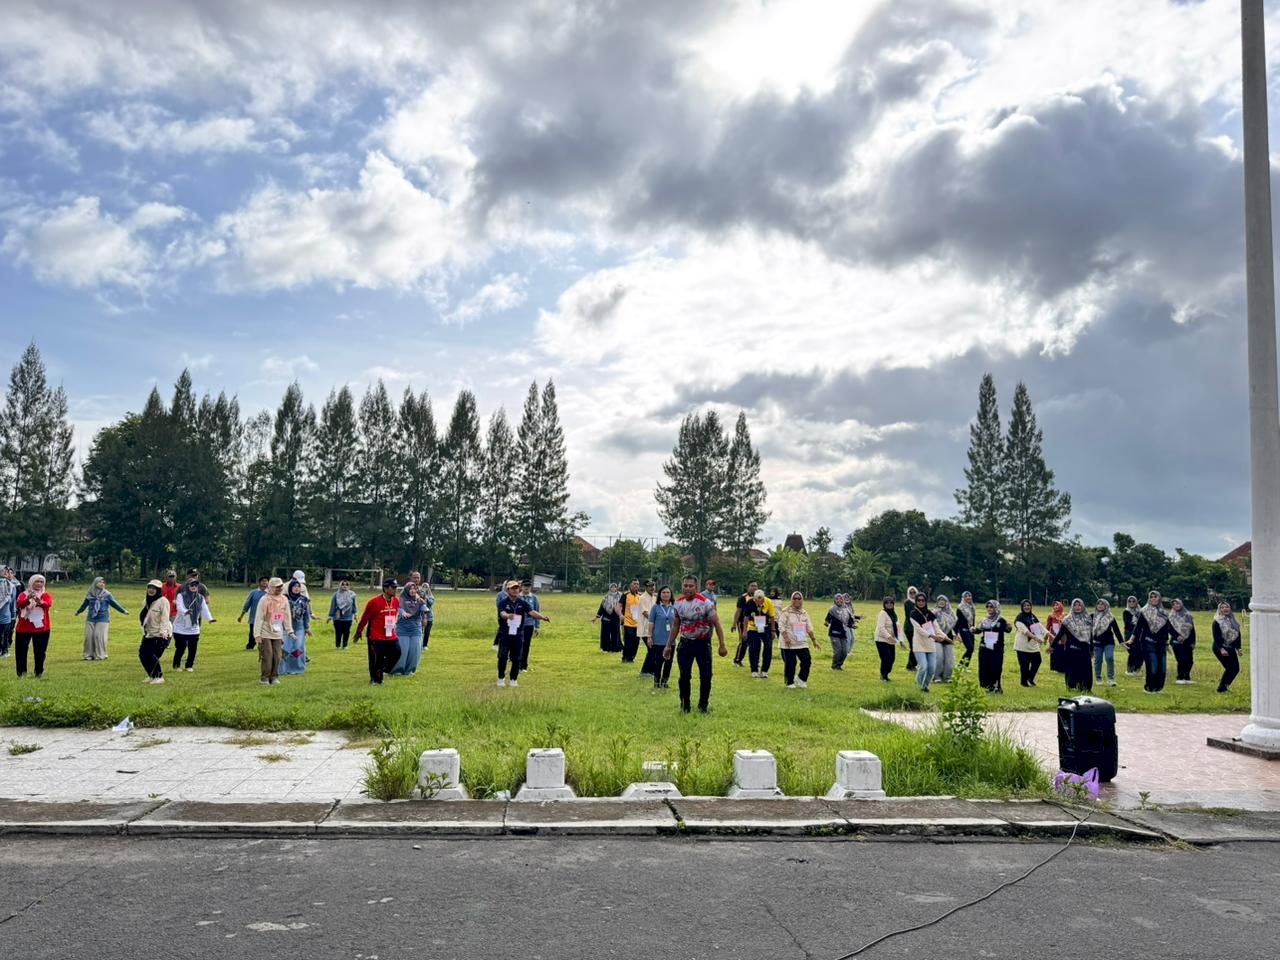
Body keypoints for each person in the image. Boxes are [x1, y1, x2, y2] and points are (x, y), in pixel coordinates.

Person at [663, 575, 727, 713]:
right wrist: (668, 646)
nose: (688, 588)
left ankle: (703, 706)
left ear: (696, 587)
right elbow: (676, 625)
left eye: (691, 586)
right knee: (684, 676)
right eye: (685, 585)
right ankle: (685, 705)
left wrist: (722, 644)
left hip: (703, 644)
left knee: (706, 676)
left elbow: (717, 623)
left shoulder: (705, 603)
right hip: (685, 644)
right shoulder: (678, 603)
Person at [496, 579, 551, 687]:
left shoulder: (523, 603)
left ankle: (513, 679)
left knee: (517, 658)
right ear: (508, 590)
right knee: (502, 656)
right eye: (513, 588)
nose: (515, 590)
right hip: (505, 634)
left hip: (518, 634)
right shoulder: (503, 602)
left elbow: (532, 612)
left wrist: (543, 617)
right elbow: (502, 613)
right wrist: (507, 616)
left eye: (517, 588)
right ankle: (501, 678)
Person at [354, 578, 403, 685]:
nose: (396, 589)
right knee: (376, 657)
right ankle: (376, 680)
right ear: (386, 588)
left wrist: (394, 623)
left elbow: (395, 614)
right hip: (376, 635)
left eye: (396, 587)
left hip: (390, 634)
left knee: (397, 652)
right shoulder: (374, 602)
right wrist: (359, 631)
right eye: (393, 587)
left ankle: (382, 668)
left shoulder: (396, 601)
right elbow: (365, 618)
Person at [74, 576, 127, 661]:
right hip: (91, 618)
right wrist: (79, 611)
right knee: (89, 637)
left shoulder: (107, 594)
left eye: (103, 582)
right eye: (100, 582)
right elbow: (84, 605)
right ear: (95, 583)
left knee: (98, 636)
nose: (102, 584)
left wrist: (123, 611)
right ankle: (88, 655)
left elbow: (114, 604)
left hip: (103, 618)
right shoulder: (90, 594)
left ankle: (100, 655)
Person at [1131, 589, 1173, 694]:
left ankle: (1158, 688)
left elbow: (1166, 630)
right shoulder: (1144, 611)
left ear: (1159, 598)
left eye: (1155, 597)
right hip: (1148, 642)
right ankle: (1149, 688)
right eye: (1151, 597)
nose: (1153, 599)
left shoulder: (1164, 613)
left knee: (1162, 667)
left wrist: (1168, 642)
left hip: (1161, 643)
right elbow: (1138, 627)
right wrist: (1131, 640)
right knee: (1153, 665)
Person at [171, 574, 215, 672]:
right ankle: (176, 664)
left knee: (193, 648)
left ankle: (189, 665)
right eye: (192, 585)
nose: (194, 587)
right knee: (181, 647)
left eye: (195, 585)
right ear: (187, 586)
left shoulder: (200, 598)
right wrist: (185, 611)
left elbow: (204, 609)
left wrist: (210, 619)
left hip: (193, 627)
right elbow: (179, 607)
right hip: (180, 627)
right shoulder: (180, 596)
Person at [778, 591, 821, 689]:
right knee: (791, 662)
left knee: (807, 660)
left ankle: (801, 679)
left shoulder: (804, 613)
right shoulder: (786, 612)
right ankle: (789, 682)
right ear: (791, 600)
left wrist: (814, 640)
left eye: (799, 598)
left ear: (802, 600)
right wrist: (786, 637)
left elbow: (809, 628)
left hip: (801, 641)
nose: (797, 600)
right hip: (789, 641)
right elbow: (781, 625)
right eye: (794, 598)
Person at [15, 574, 53, 679]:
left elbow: (47, 604)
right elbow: (19, 604)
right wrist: (28, 599)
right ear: (32, 582)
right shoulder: (23, 594)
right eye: (37, 581)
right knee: (21, 652)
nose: (39, 584)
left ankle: (39, 673)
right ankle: (21, 673)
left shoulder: (46, 594)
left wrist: (37, 600)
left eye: (41, 582)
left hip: (41, 628)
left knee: (40, 652)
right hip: (23, 628)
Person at [253, 577, 288, 685]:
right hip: (265, 631)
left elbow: (287, 616)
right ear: (272, 587)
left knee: (277, 655)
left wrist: (289, 630)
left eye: (281, 587)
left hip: (277, 632)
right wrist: (257, 634)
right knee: (267, 655)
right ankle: (265, 677)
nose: (280, 589)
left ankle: (274, 676)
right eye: (277, 587)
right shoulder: (264, 600)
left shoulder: (284, 599)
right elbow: (259, 617)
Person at [139, 579, 173, 684]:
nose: (151, 590)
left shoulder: (163, 601)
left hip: (161, 633)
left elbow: (165, 618)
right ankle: (152, 675)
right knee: (142, 655)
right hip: (149, 633)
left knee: (152, 655)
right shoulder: (146, 601)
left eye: (154, 588)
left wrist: (163, 633)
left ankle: (159, 677)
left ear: (158, 590)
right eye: (150, 587)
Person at [392, 581, 426, 676]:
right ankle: (397, 670)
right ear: (406, 590)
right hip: (403, 628)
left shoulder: (419, 599)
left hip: (416, 628)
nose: (412, 590)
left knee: (414, 650)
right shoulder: (401, 599)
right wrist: (403, 613)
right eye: (410, 589)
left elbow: (425, 608)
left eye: (414, 589)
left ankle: (410, 670)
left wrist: (424, 618)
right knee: (403, 650)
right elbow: (400, 609)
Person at [1060, 599, 1094, 692]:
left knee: (1086, 670)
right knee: (1072, 670)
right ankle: (1072, 687)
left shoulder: (1088, 619)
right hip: (1072, 649)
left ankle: (1086, 688)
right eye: (1075, 605)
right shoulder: (1067, 619)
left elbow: (1090, 635)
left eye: (1079, 605)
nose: (1077, 607)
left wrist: (1092, 649)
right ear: (1072, 606)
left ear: (1082, 606)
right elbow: (1060, 634)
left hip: (1085, 649)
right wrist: (1053, 646)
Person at [646, 586, 676, 689]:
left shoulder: (674, 607)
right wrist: (649, 636)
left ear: (671, 594)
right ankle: (657, 682)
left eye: (668, 592)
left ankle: (665, 681)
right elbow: (651, 623)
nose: (666, 594)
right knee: (658, 662)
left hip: (671, 640)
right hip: (658, 639)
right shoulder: (656, 607)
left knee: (669, 662)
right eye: (663, 592)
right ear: (660, 594)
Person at [908, 591, 939, 692]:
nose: (921, 602)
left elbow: (937, 628)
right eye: (918, 600)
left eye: (923, 600)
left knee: (931, 668)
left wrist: (944, 637)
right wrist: (931, 635)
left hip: (930, 644)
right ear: (916, 601)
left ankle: (925, 686)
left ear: (926, 601)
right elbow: (919, 629)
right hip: (919, 643)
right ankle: (919, 686)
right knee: (923, 667)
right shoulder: (913, 614)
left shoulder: (930, 614)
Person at [279, 579, 311, 675]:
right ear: (290, 587)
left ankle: (297, 668)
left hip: (299, 627)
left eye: (298, 586)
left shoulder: (304, 599)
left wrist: (307, 627)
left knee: (298, 647)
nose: (296, 588)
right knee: (285, 648)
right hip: (286, 627)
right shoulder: (284, 599)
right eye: (294, 586)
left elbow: (306, 615)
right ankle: (283, 669)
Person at [977, 600, 1009, 693]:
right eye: (988, 607)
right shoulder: (984, 620)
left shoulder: (1001, 620)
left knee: (996, 666)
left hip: (997, 647)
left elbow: (1008, 630)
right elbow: (978, 630)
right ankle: (987, 685)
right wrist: (973, 629)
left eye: (992, 607)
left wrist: (1009, 627)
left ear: (996, 608)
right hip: (985, 646)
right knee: (985, 666)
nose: (989, 609)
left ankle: (996, 686)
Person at [743, 589, 776, 678]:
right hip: (753, 628)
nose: (759, 602)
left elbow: (772, 617)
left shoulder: (768, 602)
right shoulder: (749, 602)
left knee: (768, 648)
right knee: (754, 648)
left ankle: (765, 670)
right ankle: (754, 670)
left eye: (761, 600)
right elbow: (746, 618)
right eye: (757, 600)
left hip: (766, 627)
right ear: (754, 598)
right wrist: (744, 631)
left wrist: (773, 630)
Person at [1212, 601, 1242, 694]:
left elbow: (1237, 634)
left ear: (1230, 608)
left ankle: (1224, 687)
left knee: (1236, 669)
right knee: (1230, 668)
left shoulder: (1233, 620)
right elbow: (1216, 636)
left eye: (1227, 607)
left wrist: (1238, 648)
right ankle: (1222, 689)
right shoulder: (1217, 621)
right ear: (1219, 610)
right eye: (1222, 607)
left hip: (1231, 647)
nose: (1225, 609)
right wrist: (1221, 648)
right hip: (1220, 647)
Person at [1091, 599, 1122, 686]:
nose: (1100, 605)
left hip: (1109, 642)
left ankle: (1111, 679)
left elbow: (1116, 630)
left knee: (1109, 658)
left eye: (1102, 604)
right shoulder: (1092, 616)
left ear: (1106, 606)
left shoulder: (1110, 617)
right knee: (1098, 660)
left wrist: (1121, 641)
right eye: (1098, 604)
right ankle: (1098, 678)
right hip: (1096, 642)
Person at [1013, 600, 1044, 688]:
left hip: (1033, 645)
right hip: (1022, 645)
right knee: (1024, 665)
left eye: (1028, 605)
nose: (1027, 607)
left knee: (1037, 661)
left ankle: (1030, 678)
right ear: (1022, 607)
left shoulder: (1033, 617)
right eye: (1025, 606)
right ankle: (1024, 682)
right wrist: (1036, 638)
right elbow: (1025, 631)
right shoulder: (1019, 618)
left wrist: (1044, 636)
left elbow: (1038, 628)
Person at [732, 579, 761, 667]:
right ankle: (737, 660)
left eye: (755, 586)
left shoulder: (761, 597)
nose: (754, 588)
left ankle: (756, 661)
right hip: (744, 622)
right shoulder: (743, 598)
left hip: (759, 621)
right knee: (744, 641)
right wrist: (734, 624)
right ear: (748, 587)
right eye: (752, 586)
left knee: (757, 641)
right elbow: (738, 611)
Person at [1168, 598, 1197, 684]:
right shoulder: (1171, 617)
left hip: (1187, 641)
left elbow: (1192, 630)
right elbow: (1170, 629)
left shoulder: (1188, 616)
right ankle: (1180, 677)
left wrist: (1193, 642)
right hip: (1176, 641)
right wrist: (1177, 636)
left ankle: (1187, 677)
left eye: (1178, 604)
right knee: (1181, 660)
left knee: (1189, 660)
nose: (1176, 606)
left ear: (1181, 604)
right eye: (1174, 604)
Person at [932, 595, 958, 683]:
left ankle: (947, 677)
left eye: (944, 600)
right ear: (937, 602)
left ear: (947, 602)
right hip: (938, 637)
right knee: (939, 658)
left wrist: (956, 635)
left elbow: (955, 626)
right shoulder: (933, 613)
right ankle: (937, 676)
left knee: (949, 659)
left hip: (949, 638)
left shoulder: (952, 613)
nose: (942, 602)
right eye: (940, 600)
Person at [825, 594, 855, 671]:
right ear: (835, 600)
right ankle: (834, 666)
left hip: (843, 633)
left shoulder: (846, 609)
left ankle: (839, 665)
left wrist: (853, 625)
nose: (839, 600)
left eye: (841, 599)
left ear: (843, 600)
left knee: (845, 651)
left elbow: (850, 622)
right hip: (834, 633)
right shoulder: (832, 609)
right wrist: (827, 623)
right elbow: (828, 619)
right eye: (837, 599)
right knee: (838, 651)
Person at [238, 576, 269, 650]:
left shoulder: (270, 593)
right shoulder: (254, 593)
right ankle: (250, 646)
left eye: (266, 581)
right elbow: (247, 604)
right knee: (252, 633)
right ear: (259, 583)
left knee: (265, 633)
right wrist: (241, 616)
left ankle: (264, 646)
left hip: (266, 618)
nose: (265, 582)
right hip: (254, 617)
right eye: (263, 581)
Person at [873, 597, 898, 681]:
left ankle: (886, 674)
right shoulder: (882, 613)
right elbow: (881, 627)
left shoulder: (893, 614)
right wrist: (889, 637)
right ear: (884, 604)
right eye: (887, 603)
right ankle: (883, 675)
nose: (889, 604)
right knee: (886, 657)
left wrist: (898, 638)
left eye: (891, 602)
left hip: (891, 639)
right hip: (881, 639)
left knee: (892, 658)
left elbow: (896, 626)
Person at [327, 580, 358, 649]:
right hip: (338, 616)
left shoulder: (352, 595)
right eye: (343, 584)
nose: (344, 586)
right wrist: (330, 616)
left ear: (349, 586)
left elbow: (354, 605)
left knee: (346, 632)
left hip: (348, 617)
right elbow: (333, 605)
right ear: (340, 586)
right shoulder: (336, 595)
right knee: (338, 632)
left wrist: (355, 614)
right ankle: (338, 645)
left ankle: (345, 645)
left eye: (346, 585)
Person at [520, 580, 542, 673]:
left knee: (526, 645)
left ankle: (523, 666)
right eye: (525, 586)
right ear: (521, 587)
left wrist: (537, 627)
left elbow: (537, 612)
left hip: (529, 624)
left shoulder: (534, 598)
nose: (526, 588)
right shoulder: (517, 597)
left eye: (528, 586)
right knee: (517, 645)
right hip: (518, 625)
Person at [635, 580, 656, 677]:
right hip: (645, 628)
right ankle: (645, 671)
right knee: (652, 649)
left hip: (653, 628)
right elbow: (645, 613)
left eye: (653, 585)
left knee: (653, 650)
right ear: (645, 587)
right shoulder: (642, 598)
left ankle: (651, 670)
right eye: (649, 586)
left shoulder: (654, 598)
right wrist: (655, 621)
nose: (652, 587)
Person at [594, 583, 622, 653]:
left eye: (614, 587)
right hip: (606, 618)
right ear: (610, 588)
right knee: (605, 633)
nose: (613, 588)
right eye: (612, 587)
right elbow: (602, 607)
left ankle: (616, 648)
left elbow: (623, 607)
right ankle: (606, 648)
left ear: (616, 588)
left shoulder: (620, 596)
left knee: (615, 633)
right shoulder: (606, 597)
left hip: (615, 617)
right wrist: (597, 617)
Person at [621, 578, 643, 663]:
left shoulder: (640, 596)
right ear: (630, 585)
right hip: (627, 622)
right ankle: (625, 658)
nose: (636, 585)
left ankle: (632, 658)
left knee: (636, 642)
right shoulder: (625, 595)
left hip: (637, 623)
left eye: (637, 584)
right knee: (628, 641)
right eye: (634, 584)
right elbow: (619, 606)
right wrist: (620, 615)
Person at [1122, 596, 1143, 676]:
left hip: (1140, 634)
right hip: (1129, 634)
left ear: (1136, 602)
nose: (1131, 603)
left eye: (1133, 601)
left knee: (1141, 652)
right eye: (1129, 601)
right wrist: (1135, 623)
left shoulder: (1141, 611)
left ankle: (1137, 670)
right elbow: (1127, 624)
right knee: (1133, 651)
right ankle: (1130, 670)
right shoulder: (1126, 611)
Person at [0, 566, 17, 658]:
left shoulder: (11, 586)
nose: (6, 573)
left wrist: (13, 615)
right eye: (3, 571)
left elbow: (12, 602)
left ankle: (4, 651)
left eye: (7, 571)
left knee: (5, 635)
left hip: (6, 615)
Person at [1045, 600, 1066, 674]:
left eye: (1057, 605)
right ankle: (1056, 667)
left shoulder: (1065, 615)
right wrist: (1045, 637)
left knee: (1062, 652)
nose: (1056, 606)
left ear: (1060, 606)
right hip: (1053, 636)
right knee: (1055, 652)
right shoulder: (1051, 616)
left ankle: (1063, 668)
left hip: (1063, 636)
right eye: (1054, 605)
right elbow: (1047, 627)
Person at [956, 591, 977, 663]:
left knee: (972, 649)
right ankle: (960, 665)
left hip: (971, 630)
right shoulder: (960, 608)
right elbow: (957, 622)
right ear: (963, 598)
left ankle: (965, 667)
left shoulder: (972, 607)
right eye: (966, 596)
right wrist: (958, 633)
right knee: (970, 648)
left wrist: (974, 629)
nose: (968, 597)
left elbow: (973, 620)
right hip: (963, 630)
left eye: (969, 596)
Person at [902, 585, 919, 672]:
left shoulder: (919, 602)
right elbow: (910, 615)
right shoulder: (908, 602)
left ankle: (913, 664)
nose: (912, 594)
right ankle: (910, 665)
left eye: (914, 592)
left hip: (918, 628)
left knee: (916, 646)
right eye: (911, 592)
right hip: (909, 628)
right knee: (913, 646)